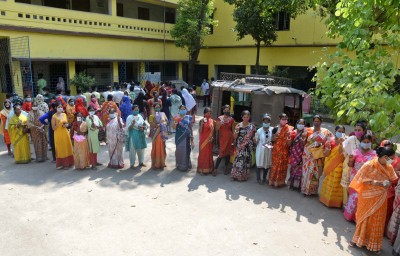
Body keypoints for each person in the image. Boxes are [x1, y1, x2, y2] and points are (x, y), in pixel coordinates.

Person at [349, 147, 397, 254]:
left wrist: (387, 184)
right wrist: (374, 182)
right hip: (367, 196)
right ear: (385, 157)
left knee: (377, 220)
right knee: (364, 218)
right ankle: (357, 240)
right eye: (391, 158)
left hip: (381, 198)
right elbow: (359, 179)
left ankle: (373, 245)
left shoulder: (389, 167)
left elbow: (391, 180)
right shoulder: (369, 165)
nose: (392, 160)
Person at [343, 134, 376, 221]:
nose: (366, 143)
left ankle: (357, 218)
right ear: (360, 142)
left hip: (365, 179)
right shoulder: (356, 151)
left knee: (361, 198)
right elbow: (350, 165)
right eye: (364, 142)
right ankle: (349, 215)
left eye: (368, 142)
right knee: (353, 197)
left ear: (371, 143)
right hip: (355, 178)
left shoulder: (374, 154)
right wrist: (350, 160)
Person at [301, 115, 333, 196]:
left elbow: (330, 141)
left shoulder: (326, 132)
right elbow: (304, 143)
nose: (316, 123)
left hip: (318, 156)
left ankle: (313, 191)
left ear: (321, 122)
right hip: (308, 155)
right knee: (306, 172)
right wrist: (303, 138)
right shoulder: (308, 130)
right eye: (315, 121)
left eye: (318, 121)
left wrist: (325, 146)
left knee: (316, 173)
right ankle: (305, 189)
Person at [319, 125, 346, 208]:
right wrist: (327, 150)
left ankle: (335, 202)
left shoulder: (346, 142)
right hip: (329, 165)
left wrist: (342, 144)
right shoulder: (330, 141)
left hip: (339, 166)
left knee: (336, 184)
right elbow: (326, 154)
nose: (340, 133)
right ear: (335, 131)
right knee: (328, 181)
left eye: (342, 132)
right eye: (339, 131)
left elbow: (345, 154)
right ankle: (325, 200)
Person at [341, 123, 367, 206]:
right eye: (355, 130)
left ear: (364, 131)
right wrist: (350, 155)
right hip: (349, 163)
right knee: (346, 185)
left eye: (359, 130)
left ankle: (352, 206)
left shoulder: (365, 140)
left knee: (355, 186)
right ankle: (345, 204)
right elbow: (343, 148)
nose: (357, 132)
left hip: (359, 166)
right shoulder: (352, 138)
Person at [231, 110, 256, 181]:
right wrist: (236, 131)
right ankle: (236, 175)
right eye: (244, 117)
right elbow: (234, 137)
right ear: (242, 117)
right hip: (240, 146)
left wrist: (254, 141)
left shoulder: (252, 126)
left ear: (249, 117)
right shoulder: (238, 125)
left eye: (247, 117)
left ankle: (243, 176)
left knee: (246, 161)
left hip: (248, 147)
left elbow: (253, 137)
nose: (246, 118)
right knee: (238, 160)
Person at [269, 113, 293, 187]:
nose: (284, 121)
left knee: (283, 166)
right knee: (275, 165)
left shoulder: (289, 129)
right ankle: (272, 181)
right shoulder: (275, 128)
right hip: (276, 150)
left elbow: (289, 144)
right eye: (283, 119)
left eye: (286, 119)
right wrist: (274, 136)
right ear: (280, 119)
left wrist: (289, 136)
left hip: (284, 151)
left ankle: (281, 182)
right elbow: (272, 140)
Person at [52, 102, 74, 169]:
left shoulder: (64, 114)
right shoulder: (54, 116)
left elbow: (67, 123)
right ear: (56, 108)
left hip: (65, 133)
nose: (60, 108)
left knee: (67, 147)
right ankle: (63, 164)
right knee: (61, 148)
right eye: (58, 107)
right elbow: (53, 128)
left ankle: (69, 163)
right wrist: (58, 122)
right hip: (58, 134)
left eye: (61, 107)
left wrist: (66, 125)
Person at [214, 105, 235, 176]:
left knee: (227, 153)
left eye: (228, 110)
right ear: (223, 111)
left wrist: (234, 139)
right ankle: (215, 168)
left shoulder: (231, 119)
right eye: (225, 110)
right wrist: (219, 124)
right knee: (221, 153)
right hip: (222, 138)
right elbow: (216, 129)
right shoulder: (219, 119)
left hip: (229, 138)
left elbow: (232, 130)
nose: (226, 111)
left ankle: (226, 168)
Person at [288, 119, 308, 190]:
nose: (301, 125)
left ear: (304, 125)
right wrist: (288, 136)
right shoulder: (293, 132)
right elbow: (289, 144)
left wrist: (303, 138)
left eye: (302, 123)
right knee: (293, 168)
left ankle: (298, 185)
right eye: (299, 123)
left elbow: (304, 144)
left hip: (301, 153)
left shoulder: (306, 133)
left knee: (300, 169)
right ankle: (291, 184)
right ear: (297, 124)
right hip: (294, 153)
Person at [174, 105, 194, 171]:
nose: (183, 110)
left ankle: (186, 165)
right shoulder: (176, 117)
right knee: (179, 151)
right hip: (179, 137)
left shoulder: (189, 117)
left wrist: (192, 138)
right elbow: (173, 127)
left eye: (184, 109)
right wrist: (176, 123)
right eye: (181, 109)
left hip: (187, 136)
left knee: (187, 150)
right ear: (179, 110)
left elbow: (190, 128)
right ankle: (179, 165)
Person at [255, 114, 273, 184]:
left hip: (268, 149)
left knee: (267, 164)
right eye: (265, 121)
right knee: (259, 163)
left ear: (270, 122)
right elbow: (257, 141)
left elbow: (273, 139)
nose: (266, 123)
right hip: (260, 149)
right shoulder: (259, 130)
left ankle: (264, 178)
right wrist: (255, 140)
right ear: (262, 121)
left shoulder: (272, 129)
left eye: (267, 121)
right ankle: (258, 178)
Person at [149, 102, 168, 169]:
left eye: (159, 107)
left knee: (163, 147)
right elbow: (151, 125)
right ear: (154, 108)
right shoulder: (151, 116)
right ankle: (155, 163)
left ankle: (162, 163)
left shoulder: (163, 114)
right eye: (156, 107)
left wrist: (161, 125)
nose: (158, 108)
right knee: (155, 148)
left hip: (162, 133)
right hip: (155, 134)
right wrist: (157, 125)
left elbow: (166, 122)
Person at [197, 107, 214, 175]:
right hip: (203, 140)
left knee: (209, 153)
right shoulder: (202, 120)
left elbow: (212, 130)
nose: (208, 114)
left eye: (210, 113)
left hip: (209, 140)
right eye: (207, 113)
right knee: (203, 154)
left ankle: (209, 169)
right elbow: (200, 131)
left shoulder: (211, 120)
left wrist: (212, 137)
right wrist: (202, 124)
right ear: (204, 113)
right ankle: (202, 169)